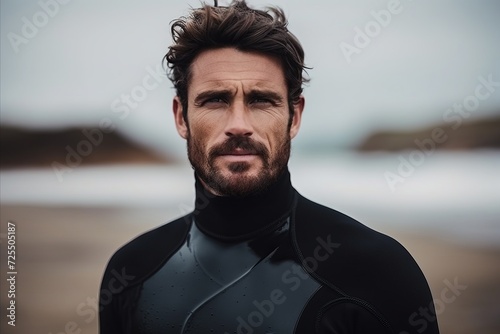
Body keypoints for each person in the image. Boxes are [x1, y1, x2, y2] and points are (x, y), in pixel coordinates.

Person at [99, 1, 440, 333]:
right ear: (180, 116)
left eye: (261, 100)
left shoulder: (378, 271)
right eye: (215, 99)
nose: (238, 124)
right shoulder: (132, 272)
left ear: (295, 117)